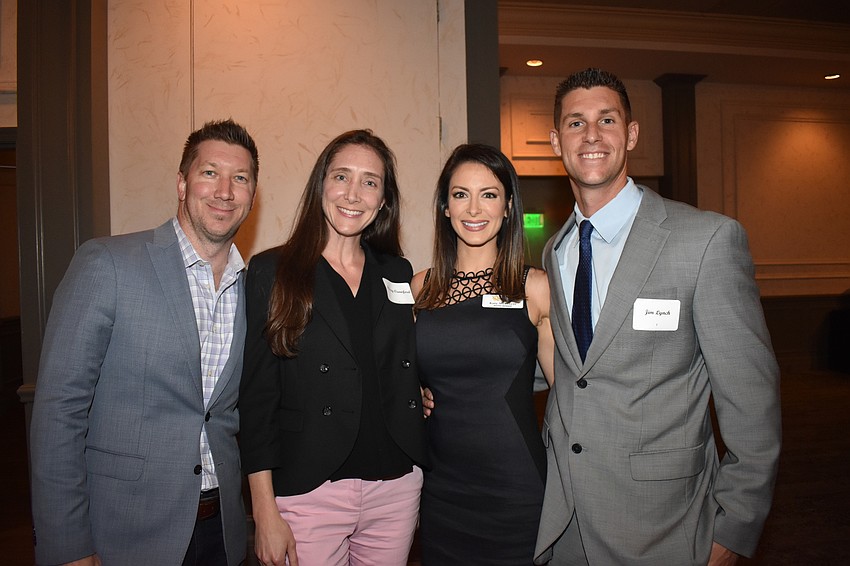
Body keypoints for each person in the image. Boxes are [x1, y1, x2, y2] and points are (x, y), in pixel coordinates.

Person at [533, 67, 782, 565]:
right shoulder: (555, 252)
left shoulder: (705, 241)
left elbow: (752, 401)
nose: (592, 136)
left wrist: (733, 530)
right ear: (557, 141)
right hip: (563, 519)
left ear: (631, 133)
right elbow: (572, 368)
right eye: (576, 123)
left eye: (607, 119)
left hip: (665, 526)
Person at [29, 119, 259, 565]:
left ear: (253, 194)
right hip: (122, 532)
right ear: (181, 182)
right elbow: (59, 410)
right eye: (210, 172)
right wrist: (68, 546)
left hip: (222, 532)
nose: (225, 191)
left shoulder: (254, 288)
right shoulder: (108, 264)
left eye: (241, 178)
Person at [239, 129, 428, 566]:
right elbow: (257, 399)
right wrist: (263, 509)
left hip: (394, 487)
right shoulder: (274, 270)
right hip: (308, 488)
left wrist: (424, 387)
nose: (353, 193)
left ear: (383, 200)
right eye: (342, 176)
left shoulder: (397, 272)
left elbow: (398, 361)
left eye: (370, 181)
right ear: (321, 184)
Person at [412, 143, 555, 565]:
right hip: (442, 489)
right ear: (444, 207)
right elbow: (398, 373)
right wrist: (412, 392)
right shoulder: (419, 288)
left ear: (508, 206)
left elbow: (571, 396)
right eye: (460, 194)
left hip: (515, 488)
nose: (474, 208)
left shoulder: (535, 287)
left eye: (489, 194)